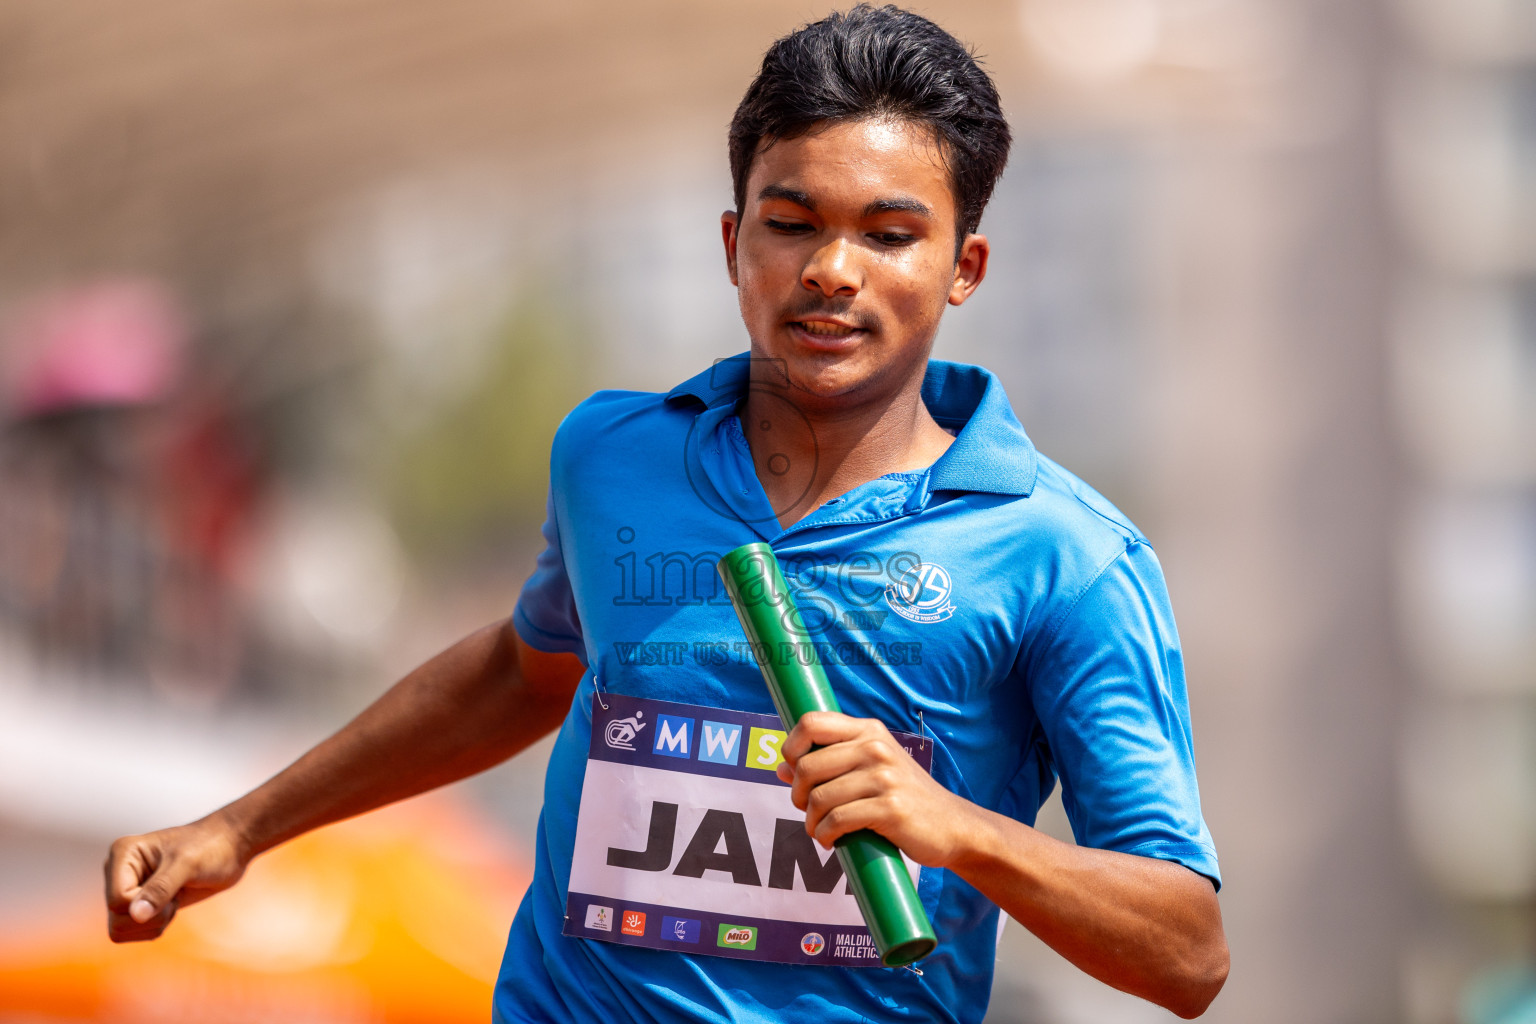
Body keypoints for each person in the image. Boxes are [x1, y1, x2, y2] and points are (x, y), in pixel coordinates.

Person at [104, 6, 1229, 1021]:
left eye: (889, 235)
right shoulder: (610, 455)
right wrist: (236, 828)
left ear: (962, 267)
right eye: (793, 222)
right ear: (735, 243)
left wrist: (958, 828)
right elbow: (522, 671)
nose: (833, 270)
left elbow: (1187, 952)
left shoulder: (1064, 555)